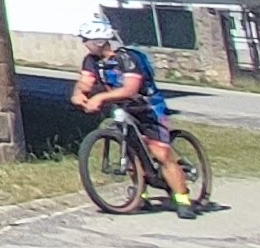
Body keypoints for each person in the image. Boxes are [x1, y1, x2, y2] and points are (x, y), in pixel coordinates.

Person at [72, 18, 202, 211]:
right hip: (122, 108)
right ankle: (140, 194)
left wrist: (99, 98)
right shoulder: (91, 61)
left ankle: (182, 199)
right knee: (130, 150)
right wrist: (78, 94)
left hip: (148, 108)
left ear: (98, 41)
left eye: (86, 40)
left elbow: (130, 89)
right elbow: (85, 82)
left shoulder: (127, 58)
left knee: (161, 153)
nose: (84, 43)